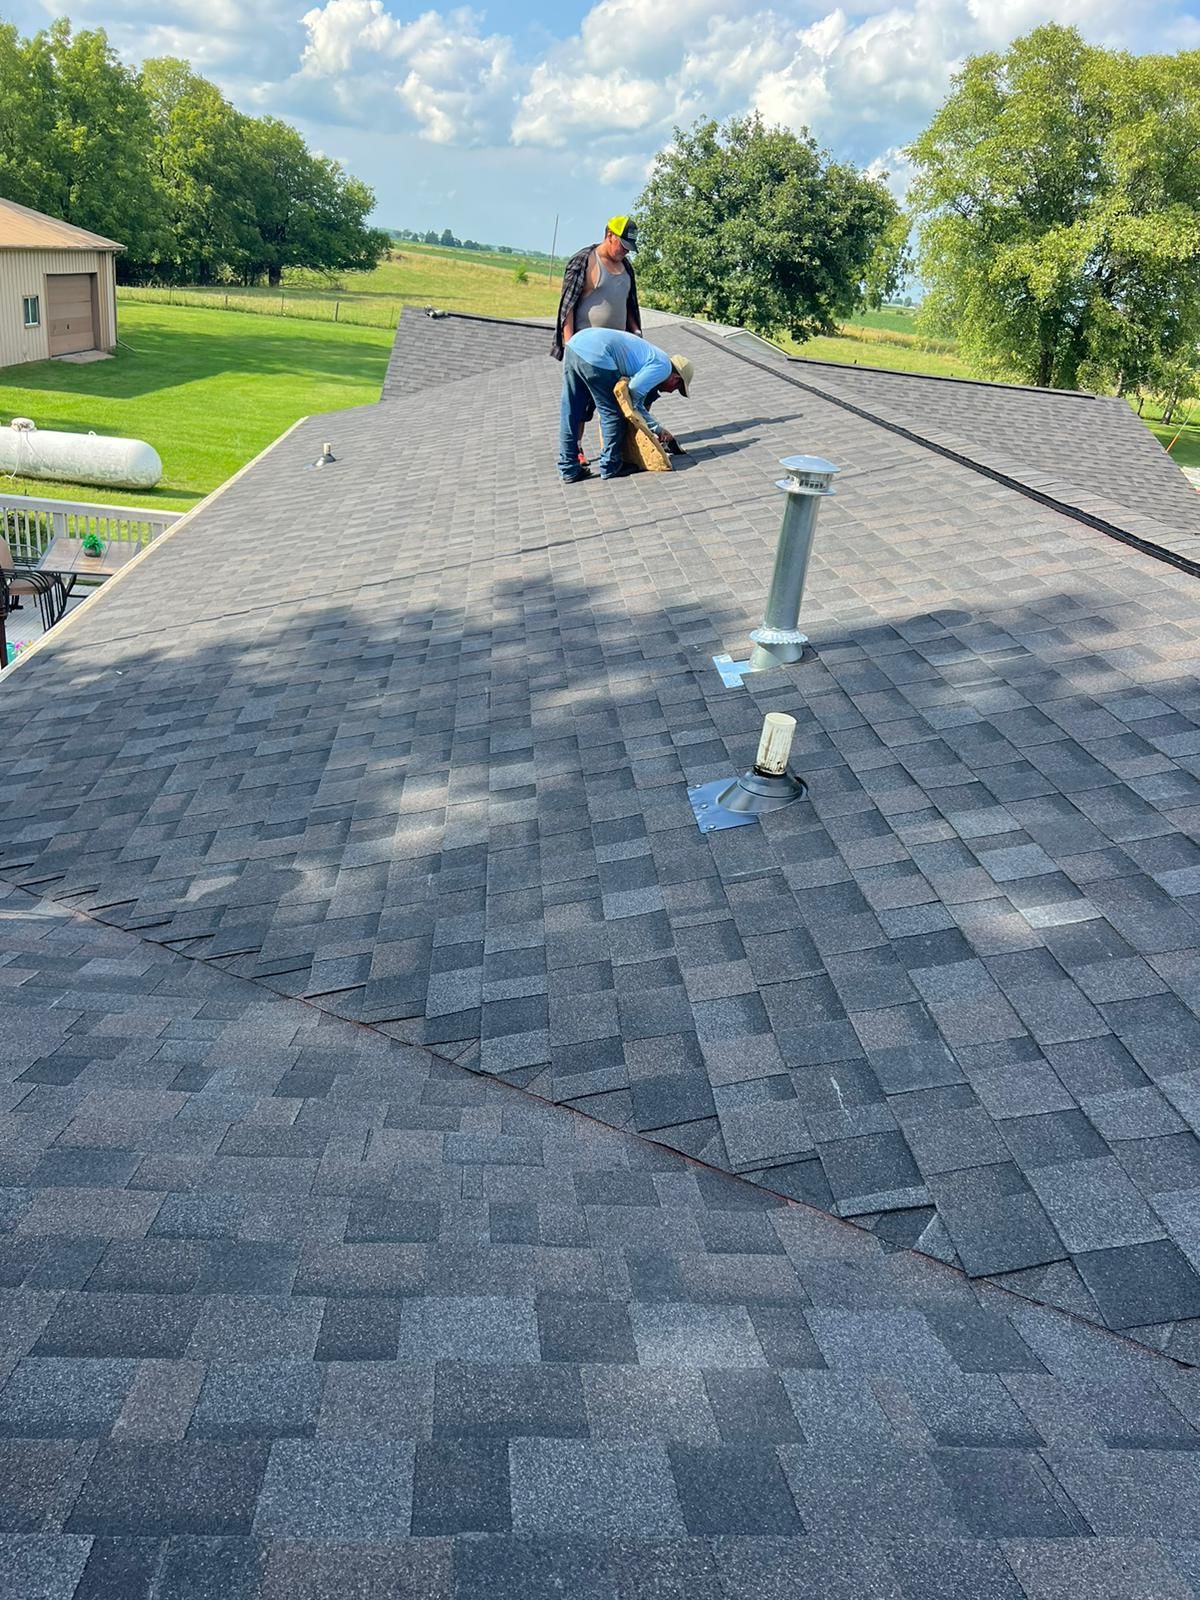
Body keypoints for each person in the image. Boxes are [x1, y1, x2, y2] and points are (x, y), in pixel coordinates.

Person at [558, 328, 693, 482]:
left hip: (575, 344)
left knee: (570, 411)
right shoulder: (663, 367)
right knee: (613, 412)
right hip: (597, 354)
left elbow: (635, 401)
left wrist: (657, 429)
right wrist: (649, 425)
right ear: (676, 379)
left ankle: (568, 468)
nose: (670, 392)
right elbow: (631, 396)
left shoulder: (654, 357)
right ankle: (611, 465)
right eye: (676, 388)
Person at [552, 216, 642, 360]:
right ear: (610, 235)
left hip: (617, 353)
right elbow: (567, 307)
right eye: (623, 245)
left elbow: (628, 305)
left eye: (629, 247)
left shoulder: (627, 267)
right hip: (587, 351)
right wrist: (570, 346)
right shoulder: (584, 260)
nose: (626, 251)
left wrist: (636, 332)